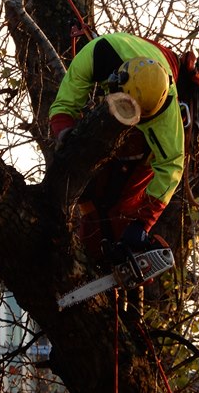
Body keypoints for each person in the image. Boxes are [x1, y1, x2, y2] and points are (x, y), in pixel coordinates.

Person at [49, 32, 184, 259]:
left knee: (129, 189)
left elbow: (172, 165)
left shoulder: (166, 111)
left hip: (165, 61)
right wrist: (64, 132)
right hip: (121, 48)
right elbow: (64, 102)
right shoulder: (96, 55)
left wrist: (143, 222)